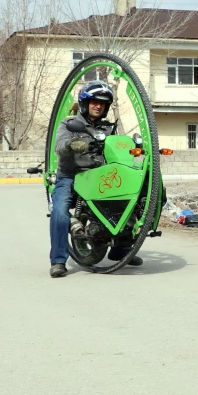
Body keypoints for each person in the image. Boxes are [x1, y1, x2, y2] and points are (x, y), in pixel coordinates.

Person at [49, 80, 143, 278]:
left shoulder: (109, 128)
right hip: (71, 176)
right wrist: (72, 144)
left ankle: (121, 251)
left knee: (127, 202)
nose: (98, 106)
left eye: (103, 103)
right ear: (85, 103)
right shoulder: (69, 124)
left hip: (98, 176)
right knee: (59, 211)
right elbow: (59, 145)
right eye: (94, 101)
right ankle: (58, 260)